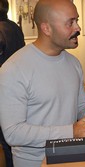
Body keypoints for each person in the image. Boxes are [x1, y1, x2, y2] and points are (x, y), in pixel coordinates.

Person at [0, 0, 85, 167]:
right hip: (34, 161)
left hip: (71, 154)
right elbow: (13, 132)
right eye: (70, 23)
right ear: (46, 29)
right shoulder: (14, 69)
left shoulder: (74, 63)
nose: (78, 28)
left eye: (77, 20)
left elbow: (80, 104)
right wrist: (71, 131)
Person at [0, 0, 25, 166]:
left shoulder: (2, 30)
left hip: (4, 89)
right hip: (17, 88)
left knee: (7, 141)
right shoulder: (15, 27)